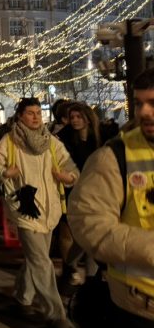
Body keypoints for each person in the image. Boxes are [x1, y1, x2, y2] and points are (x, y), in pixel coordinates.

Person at [69, 68, 154, 328]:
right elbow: (90, 224)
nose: (146, 112)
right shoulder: (114, 156)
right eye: (140, 104)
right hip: (143, 301)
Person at [0, 97, 77, 328]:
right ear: (20, 116)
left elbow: (71, 168)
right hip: (25, 208)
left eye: (38, 112)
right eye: (30, 113)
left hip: (50, 208)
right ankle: (56, 314)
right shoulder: (10, 141)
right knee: (41, 262)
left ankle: (23, 297)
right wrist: (5, 171)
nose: (36, 117)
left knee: (38, 257)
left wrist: (69, 178)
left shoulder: (52, 142)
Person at [56, 101, 101, 286]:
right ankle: (84, 274)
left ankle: (80, 271)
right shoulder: (64, 138)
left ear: (88, 119)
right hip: (74, 192)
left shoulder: (99, 137)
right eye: (72, 117)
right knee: (86, 235)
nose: (74, 121)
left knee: (90, 235)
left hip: (97, 192)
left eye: (78, 117)